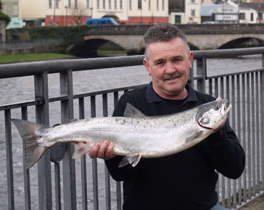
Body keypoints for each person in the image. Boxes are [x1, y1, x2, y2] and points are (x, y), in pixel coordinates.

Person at [83, 23, 245, 210]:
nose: (170, 70)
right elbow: (122, 175)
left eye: (177, 59)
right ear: (147, 66)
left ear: (190, 59)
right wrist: (110, 156)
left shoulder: (207, 107)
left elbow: (235, 169)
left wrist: (215, 133)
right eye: (160, 62)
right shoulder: (131, 103)